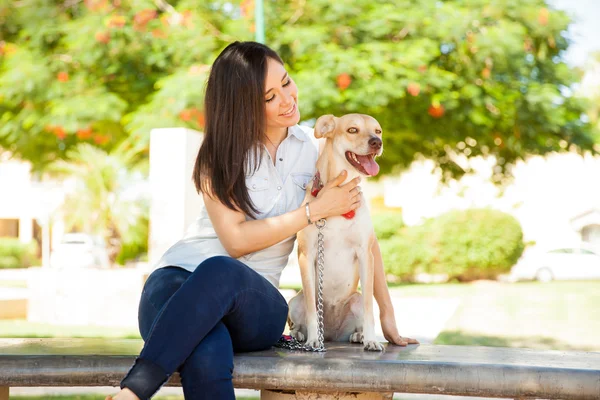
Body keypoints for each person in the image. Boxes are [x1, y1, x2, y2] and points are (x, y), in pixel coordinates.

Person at [107, 41, 417, 400]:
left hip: (255, 304)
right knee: (206, 349)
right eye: (269, 97)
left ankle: (136, 389)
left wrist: (387, 313)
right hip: (173, 286)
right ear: (244, 106)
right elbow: (235, 241)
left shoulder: (317, 149)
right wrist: (313, 210)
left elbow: (366, 240)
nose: (287, 99)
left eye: (286, 82)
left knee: (221, 270)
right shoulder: (218, 155)